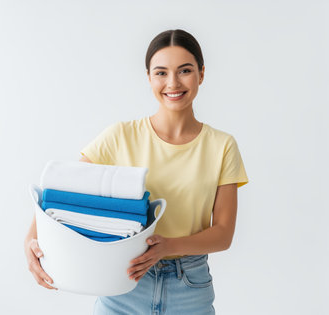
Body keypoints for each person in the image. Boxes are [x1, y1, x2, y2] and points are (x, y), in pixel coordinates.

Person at [24, 29, 249, 314]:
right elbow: (63, 194)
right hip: (124, 282)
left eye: (185, 70)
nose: (173, 82)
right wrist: (31, 241)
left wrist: (167, 246)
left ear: (201, 74)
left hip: (189, 286)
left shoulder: (222, 146)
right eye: (161, 73)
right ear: (149, 77)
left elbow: (223, 234)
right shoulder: (120, 136)